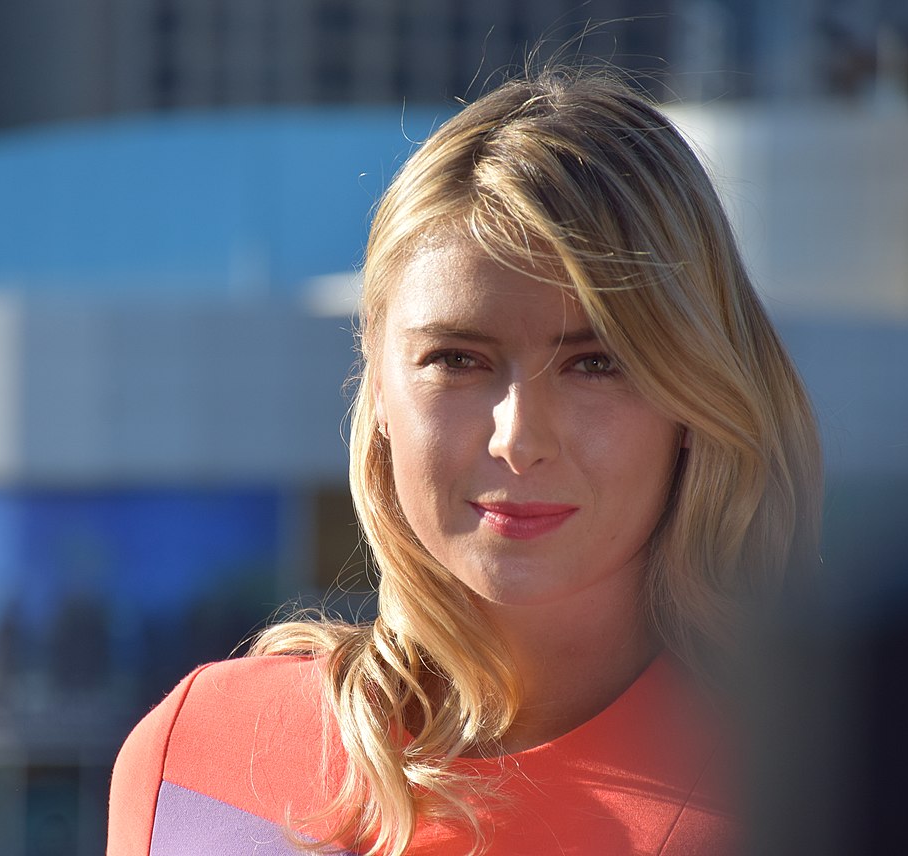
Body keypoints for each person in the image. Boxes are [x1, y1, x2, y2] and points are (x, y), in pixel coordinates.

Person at [107, 66, 823, 856]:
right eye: (456, 359)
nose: (519, 437)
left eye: (597, 363)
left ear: (691, 396)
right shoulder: (194, 754)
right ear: (378, 382)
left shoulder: (804, 803)